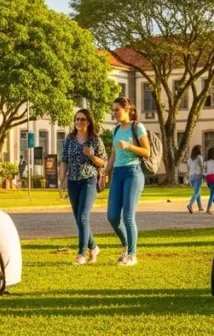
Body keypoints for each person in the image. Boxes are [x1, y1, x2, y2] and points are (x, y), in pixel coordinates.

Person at [105, 97, 150, 266]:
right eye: (113, 110)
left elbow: (147, 152)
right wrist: (105, 172)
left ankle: (132, 254)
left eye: (117, 109)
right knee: (112, 216)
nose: (114, 113)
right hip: (118, 173)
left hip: (133, 173)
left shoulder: (137, 127)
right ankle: (125, 245)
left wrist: (129, 146)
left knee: (128, 216)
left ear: (127, 109)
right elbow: (113, 154)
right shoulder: (116, 130)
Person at [59, 108, 107, 265]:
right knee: (79, 219)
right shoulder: (70, 139)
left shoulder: (95, 140)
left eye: (83, 119)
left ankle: (81, 254)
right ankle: (93, 247)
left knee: (83, 216)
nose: (79, 122)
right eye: (77, 119)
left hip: (89, 180)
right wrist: (62, 180)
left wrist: (91, 155)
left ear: (89, 121)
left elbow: (103, 162)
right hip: (72, 181)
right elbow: (64, 160)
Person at [186, 145, 206, 214]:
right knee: (196, 192)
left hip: (191, 177)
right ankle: (190, 205)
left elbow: (188, 169)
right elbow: (202, 167)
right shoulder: (199, 157)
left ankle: (200, 207)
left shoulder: (189, 159)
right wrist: (204, 175)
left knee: (197, 192)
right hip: (198, 176)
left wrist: (188, 176)